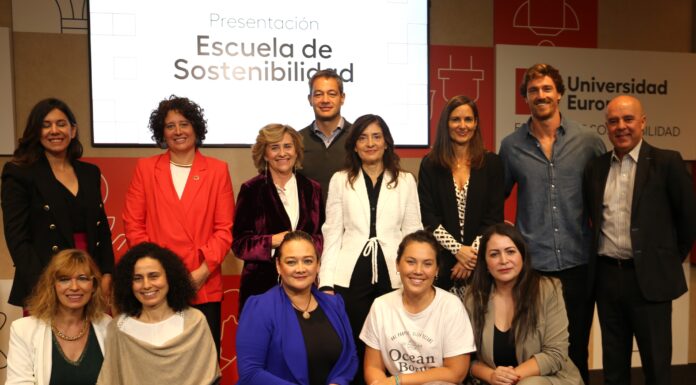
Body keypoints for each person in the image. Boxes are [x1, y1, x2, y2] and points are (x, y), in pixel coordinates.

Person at [498, 63, 605, 383]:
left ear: (559, 93)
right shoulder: (511, 146)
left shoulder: (587, 141)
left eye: (547, 89)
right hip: (534, 266)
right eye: (533, 91)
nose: (540, 95)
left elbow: (603, 197)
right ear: (525, 98)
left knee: (575, 350)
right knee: (533, 349)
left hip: (578, 262)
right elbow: (496, 199)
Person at [583, 95, 696, 385]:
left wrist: (663, 259)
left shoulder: (667, 162)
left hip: (650, 282)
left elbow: (689, 220)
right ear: (606, 127)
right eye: (613, 121)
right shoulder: (595, 168)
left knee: (657, 367)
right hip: (607, 279)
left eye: (628, 119)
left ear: (643, 122)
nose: (621, 126)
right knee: (614, 368)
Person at [122, 95, 234, 354]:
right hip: (157, 285)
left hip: (202, 282)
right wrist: (156, 272)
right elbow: (133, 225)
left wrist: (202, 272)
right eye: (170, 126)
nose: (178, 131)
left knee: (203, 364)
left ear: (195, 127)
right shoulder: (146, 168)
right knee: (159, 363)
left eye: (184, 124)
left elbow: (224, 229)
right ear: (162, 132)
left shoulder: (217, 170)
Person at [320, 114, 422, 385]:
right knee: (354, 341)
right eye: (363, 138)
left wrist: (415, 273)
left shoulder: (405, 180)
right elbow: (332, 232)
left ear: (387, 142)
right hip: (351, 273)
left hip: (394, 272)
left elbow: (413, 232)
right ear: (354, 145)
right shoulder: (340, 180)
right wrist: (326, 282)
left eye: (376, 137)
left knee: (392, 341)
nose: (370, 143)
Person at [1, 98, 114, 309]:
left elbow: (102, 230)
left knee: (91, 340)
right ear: (35, 132)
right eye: (46, 125)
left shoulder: (90, 173)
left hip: (89, 277)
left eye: (61, 124)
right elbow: (17, 238)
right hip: (43, 278)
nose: (54, 130)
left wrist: (106, 273)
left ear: (73, 130)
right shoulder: (19, 172)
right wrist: (45, 284)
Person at [466, 223, 582, 385]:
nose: (503, 260)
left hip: (550, 379)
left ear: (522, 256)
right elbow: (467, 359)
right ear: (485, 263)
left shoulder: (548, 290)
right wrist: (492, 376)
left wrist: (509, 377)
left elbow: (555, 354)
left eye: (510, 252)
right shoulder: (473, 298)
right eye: (494, 254)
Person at [236, 231, 358, 385]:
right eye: (291, 262)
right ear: (278, 266)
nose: (300, 269)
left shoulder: (335, 304)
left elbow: (350, 357)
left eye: (308, 261)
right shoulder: (259, 308)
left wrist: (338, 382)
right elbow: (251, 373)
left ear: (318, 265)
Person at [360, 230, 474, 385]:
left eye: (427, 264)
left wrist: (398, 381)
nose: (418, 271)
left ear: (437, 269)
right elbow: (373, 367)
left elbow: (456, 373)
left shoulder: (451, 307)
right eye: (411, 262)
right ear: (397, 264)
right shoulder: (381, 306)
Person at [97, 242, 220, 384]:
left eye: (154, 276)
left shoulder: (195, 322)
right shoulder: (118, 328)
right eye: (137, 278)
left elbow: (209, 378)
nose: (146, 285)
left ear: (170, 277)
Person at [233, 124, 324, 312]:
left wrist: (300, 246)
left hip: (305, 285)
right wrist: (272, 241)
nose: (282, 153)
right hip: (261, 287)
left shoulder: (312, 189)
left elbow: (322, 235)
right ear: (265, 154)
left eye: (288, 146)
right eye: (274, 147)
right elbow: (239, 244)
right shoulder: (251, 190)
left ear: (296, 151)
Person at [418, 95, 504, 291]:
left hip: (481, 264)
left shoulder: (492, 164)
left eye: (468, 119)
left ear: (476, 124)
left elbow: (494, 216)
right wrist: (457, 250)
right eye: (455, 119)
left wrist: (469, 256)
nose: (462, 125)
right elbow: (428, 215)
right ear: (446, 124)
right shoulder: (430, 164)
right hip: (442, 262)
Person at [7, 249, 111, 385]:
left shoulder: (109, 326)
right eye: (64, 279)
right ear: (52, 285)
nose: (74, 287)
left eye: (82, 278)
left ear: (94, 286)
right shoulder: (23, 330)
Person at [298, 69, 352, 204]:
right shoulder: (296, 141)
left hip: (350, 224)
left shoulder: (358, 138)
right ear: (310, 99)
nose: (325, 100)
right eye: (318, 94)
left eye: (332, 94)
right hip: (309, 224)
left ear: (342, 98)